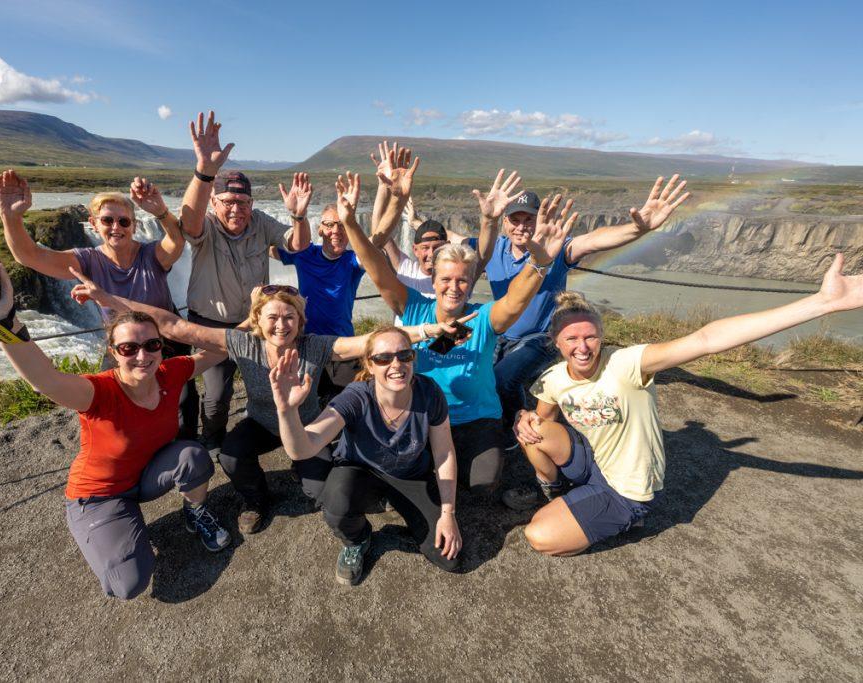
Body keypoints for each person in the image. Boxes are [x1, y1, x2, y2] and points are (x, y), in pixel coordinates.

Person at [70, 270, 471, 534]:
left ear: (300, 321)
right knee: (230, 455)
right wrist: (110, 298)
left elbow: (369, 344)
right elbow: (174, 325)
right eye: (273, 318)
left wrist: (429, 330)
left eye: (289, 317)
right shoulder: (243, 342)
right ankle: (256, 501)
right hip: (262, 421)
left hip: (306, 424)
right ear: (258, 321)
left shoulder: (317, 345)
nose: (281, 325)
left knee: (318, 492)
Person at [511, 255, 863, 555]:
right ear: (556, 342)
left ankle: (625, 517)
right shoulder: (555, 378)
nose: (583, 347)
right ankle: (557, 492)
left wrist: (822, 303)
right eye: (571, 338)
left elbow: (707, 339)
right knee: (535, 433)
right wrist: (525, 418)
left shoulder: (627, 363)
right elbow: (542, 419)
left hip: (626, 488)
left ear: (602, 336)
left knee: (538, 535)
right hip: (594, 461)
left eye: (590, 336)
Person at [0, 265, 231, 600]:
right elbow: (45, 380)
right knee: (128, 584)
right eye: (129, 348)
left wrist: (175, 326)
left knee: (193, 456)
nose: (142, 356)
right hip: (100, 494)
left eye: (152, 345)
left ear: (162, 348)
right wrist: (6, 323)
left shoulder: (171, 373)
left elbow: (218, 350)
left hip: (144, 476)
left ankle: (195, 511)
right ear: (114, 353)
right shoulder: (97, 392)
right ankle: (106, 530)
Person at [333, 168, 576, 498]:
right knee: (409, 477)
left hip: (477, 418)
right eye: (446, 280)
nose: (454, 287)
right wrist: (349, 222)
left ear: (471, 282)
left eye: (462, 280)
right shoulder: (413, 307)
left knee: (482, 487)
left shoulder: (483, 316)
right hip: (423, 412)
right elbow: (376, 269)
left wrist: (539, 264)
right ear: (433, 281)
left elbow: (516, 299)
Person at [464, 175, 692, 434]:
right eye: (515, 220)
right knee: (474, 367)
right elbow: (449, 242)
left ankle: (514, 429)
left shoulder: (554, 248)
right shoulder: (494, 248)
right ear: (505, 222)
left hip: (540, 337)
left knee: (504, 378)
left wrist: (638, 228)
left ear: (540, 220)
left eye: (529, 220)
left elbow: (594, 239)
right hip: (501, 333)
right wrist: (413, 220)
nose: (521, 227)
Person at [0, 168, 200, 438]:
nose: (116, 228)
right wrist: (10, 217)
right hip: (121, 345)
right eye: (108, 221)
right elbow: (29, 256)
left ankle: (188, 445)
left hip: (166, 339)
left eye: (124, 222)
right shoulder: (88, 259)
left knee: (182, 398)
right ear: (93, 224)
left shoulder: (151, 255)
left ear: (134, 225)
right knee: (111, 399)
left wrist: (161, 212)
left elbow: (176, 241)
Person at [270, 327, 462, 585]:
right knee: (335, 503)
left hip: (409, 473)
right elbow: (302, 448)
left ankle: (398, 503)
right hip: (360, 469)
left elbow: (444, 451)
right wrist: (287, 411)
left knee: (448, 558)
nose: (396, 364)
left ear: (413, 359)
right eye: (383, 358)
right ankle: (358, 540)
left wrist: (448, 513)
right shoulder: (356, 396)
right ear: (369, 365)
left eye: (404, 355)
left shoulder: (429, 392)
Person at [175, 111, 314, 452]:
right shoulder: (205, 224)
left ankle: (282, 436)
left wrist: (298, 214)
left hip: (257, 324)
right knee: (219, 394)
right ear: (214, 201)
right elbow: (188, 222)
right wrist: (204, 172)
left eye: (243, 202)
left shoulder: (261, 222)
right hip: (215, 326)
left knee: (271, 384)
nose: (236, 209)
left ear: (252, 203)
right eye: (229, 202)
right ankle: (212, 444)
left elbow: (299, 244)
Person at [366, 142, 499, 297]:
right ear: (415, 249)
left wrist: (490, 220)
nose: (431, 253)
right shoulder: (406, 269)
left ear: (448, 247)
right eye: (425, 247)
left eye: (437, 247)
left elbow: (483, 256)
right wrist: (383, 186)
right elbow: (379, 236)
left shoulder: (460, 276)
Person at [271, 203, 366, 402]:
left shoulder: (353, 260)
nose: (336, 231)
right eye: (330, 225)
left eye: (342, 225)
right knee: (307, 405)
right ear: (320, 230)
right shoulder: (304, 254)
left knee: (346, 408)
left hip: (342, 348)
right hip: (307, 346)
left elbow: (377, 243)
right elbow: (268, 247)